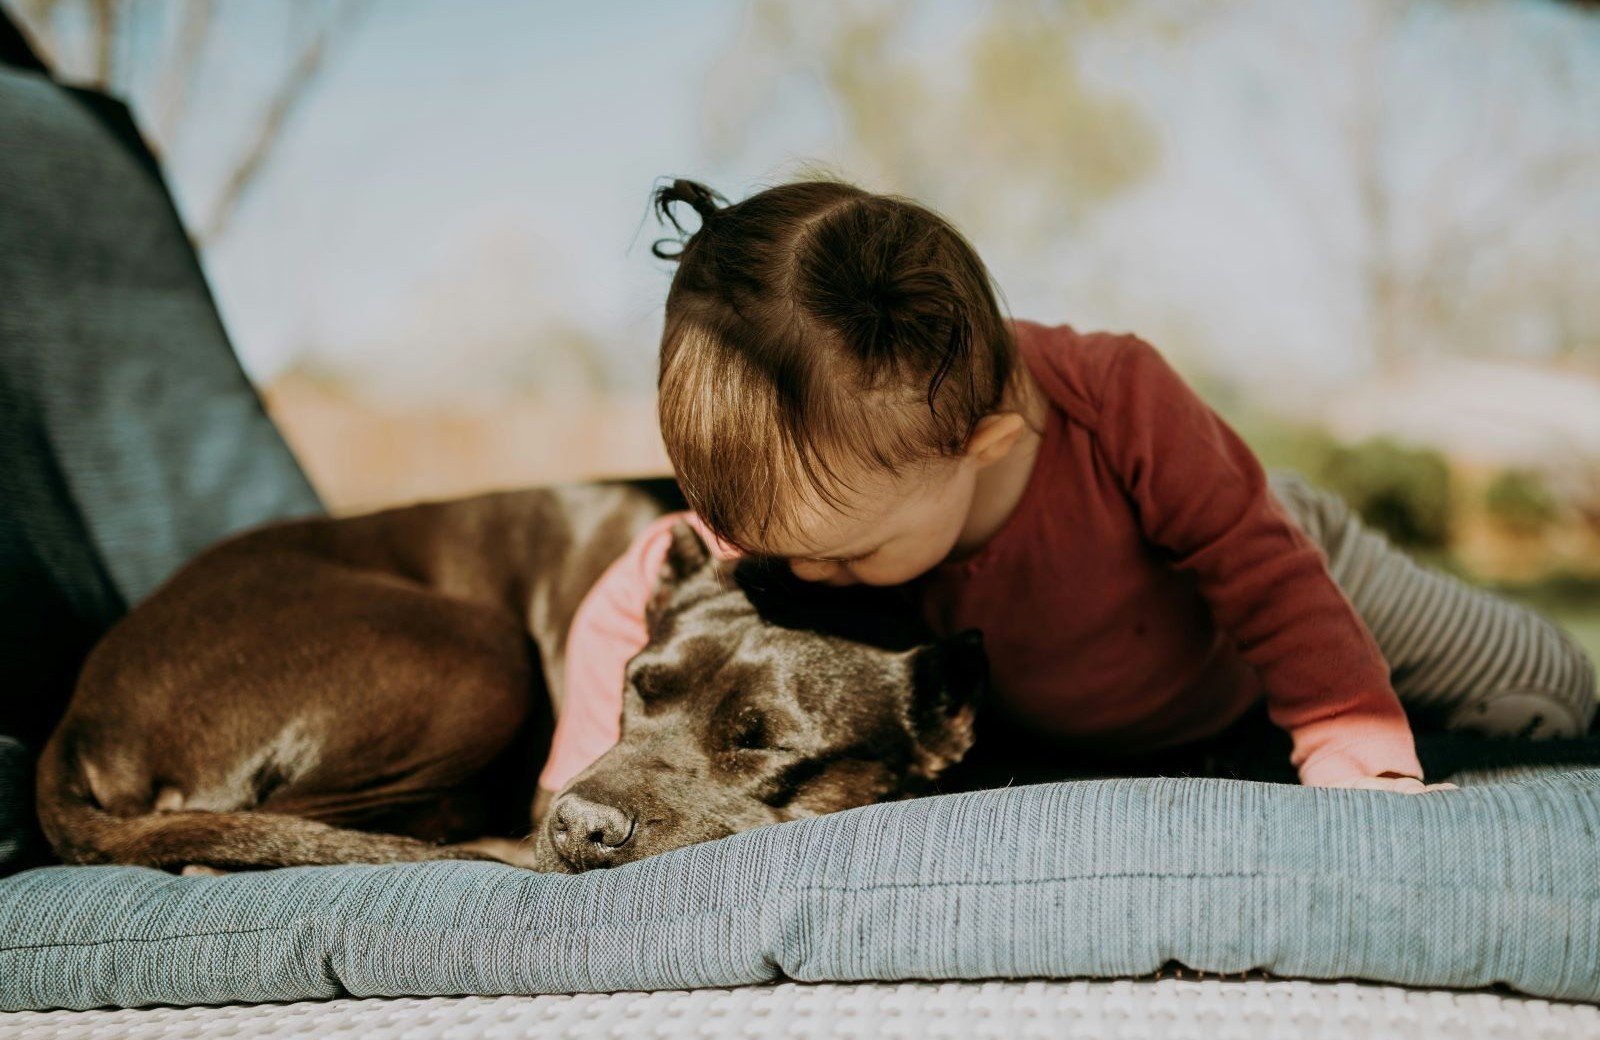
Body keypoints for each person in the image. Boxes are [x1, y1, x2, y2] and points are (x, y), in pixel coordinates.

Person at [536, 178, 1596, 803]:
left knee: (1545, 695)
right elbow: (638, 579)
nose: (805, 574)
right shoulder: (810, 505)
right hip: (1132, 704)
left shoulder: (1115, 397)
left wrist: (1345, 733)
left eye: (848, 555)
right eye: (769, 542)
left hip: (1288, 563)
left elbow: (1261, 567)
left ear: (986, 444)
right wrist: (578, 774)